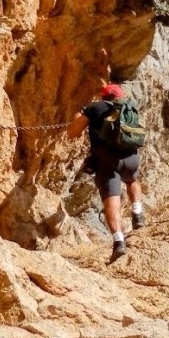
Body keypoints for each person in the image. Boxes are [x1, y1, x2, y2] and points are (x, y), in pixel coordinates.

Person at [66, 83, 145, 261]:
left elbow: (72, 132)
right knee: (132, 180)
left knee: (112, 200)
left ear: (104, 97)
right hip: (131, 156)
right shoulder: (129, 107)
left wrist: (78, 116)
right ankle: (138, 214)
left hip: (108, 162)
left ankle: (119, 242)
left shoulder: (95, 108)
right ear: (118, 96)